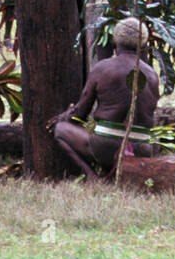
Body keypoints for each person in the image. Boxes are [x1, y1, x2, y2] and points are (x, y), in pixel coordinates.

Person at [53, 18, 160, 178]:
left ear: (115, 40)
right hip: (143, 149)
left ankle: (92, 177)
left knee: (60, 130)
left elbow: (79, 114)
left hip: (107, 148)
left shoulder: (102, 68)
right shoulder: (152, 74)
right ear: (143, 43)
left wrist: (63, 117)